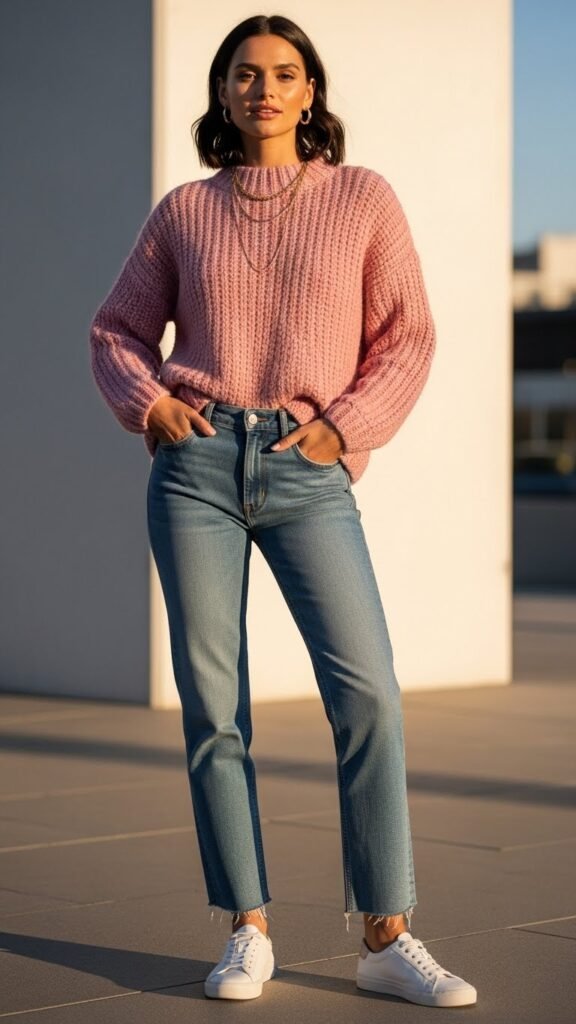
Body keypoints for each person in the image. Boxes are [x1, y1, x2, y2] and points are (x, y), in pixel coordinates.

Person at [89, 12, 477, 1009]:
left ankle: (387, 934)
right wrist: (153, 403)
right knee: (215, 705)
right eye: (247, 74)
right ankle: (246, 928)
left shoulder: (361, 199)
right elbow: (117, 330)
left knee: (370, 695)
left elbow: (408, 336)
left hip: (309, 469)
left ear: (312, 93)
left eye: (285, 74)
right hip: (199, 469)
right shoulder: (184, 210)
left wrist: (345, 428)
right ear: (224, 94)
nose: (265, 88)